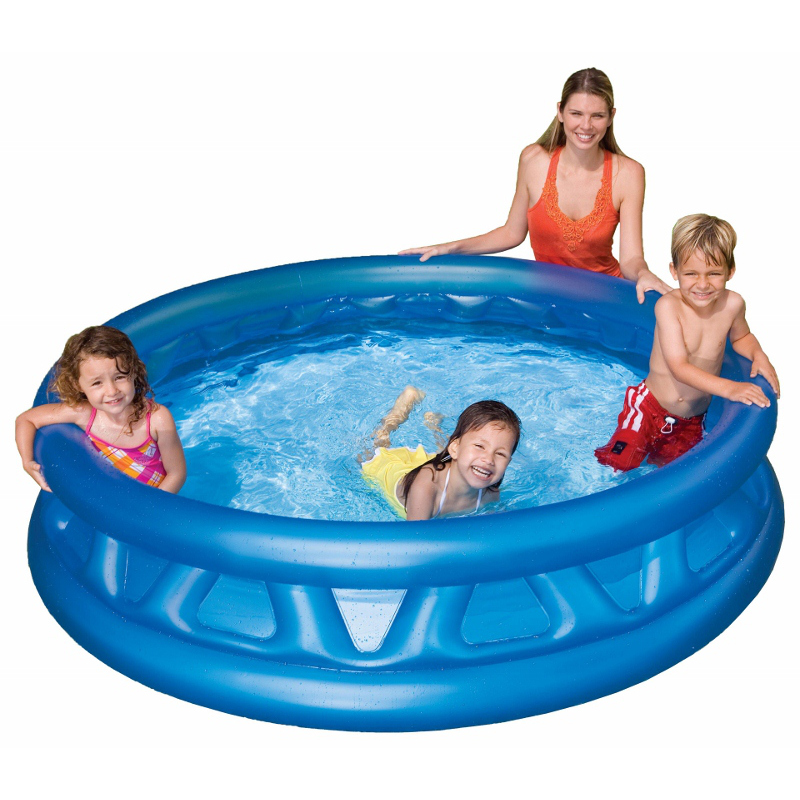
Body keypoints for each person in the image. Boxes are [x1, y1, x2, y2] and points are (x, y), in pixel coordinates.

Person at [401, 67, 670, 303]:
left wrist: (644, 273)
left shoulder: (629, 174)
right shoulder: (533, 160)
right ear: (560, 112)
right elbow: (512, 232)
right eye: (576, 113)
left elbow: (630, 259)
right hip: (548, 296)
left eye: (597, 116)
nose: (586, 125)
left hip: (606, 297)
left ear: (611, 117)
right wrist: (449, 248)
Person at [595, 214, 780, 472]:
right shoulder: (669, 307)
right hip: (647, 409)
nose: (702, 284)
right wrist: (730, 389)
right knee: (616, 465)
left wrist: (759, 355)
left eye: (714, 274)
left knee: (674, 475)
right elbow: (678, 367)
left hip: (691, 421)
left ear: (730, 271)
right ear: (674, 271)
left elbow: (741, 337)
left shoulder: (733, 304)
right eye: (691, 274)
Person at [16, 325, 186, 493]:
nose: (112, 391)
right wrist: (27, 461)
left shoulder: (156, 418)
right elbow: (26, 419)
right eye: (97, 383)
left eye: (119, 377)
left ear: (133, 372)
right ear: (78, 385)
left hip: (158, 498)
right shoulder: (83, 414)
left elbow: (176, 474)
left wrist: (151, 506)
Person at [361, 387, 520, 520]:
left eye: (500, 454)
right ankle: (390, 422)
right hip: (394, 472)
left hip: (441, 466)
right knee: (371, 451)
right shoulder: (427, 487)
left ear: (508, 462)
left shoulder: (490, 495)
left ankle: (433, 424)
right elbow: (415, 539)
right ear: (454, 449)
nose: (489, 459)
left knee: (451, 455)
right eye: (479, 446)